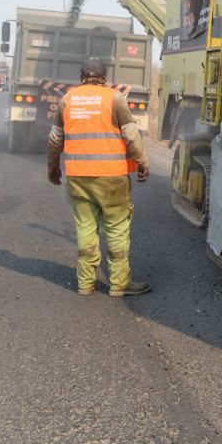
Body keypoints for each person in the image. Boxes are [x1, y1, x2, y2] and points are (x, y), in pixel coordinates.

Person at [47, 57, 152, 297]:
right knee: (116, 228)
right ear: (104, 78)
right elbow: (131, 135)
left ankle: (85, 283)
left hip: (78, 177)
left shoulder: (67, 100)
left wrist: (53, 168)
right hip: (112, 177)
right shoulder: (115, 98)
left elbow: (54, 140)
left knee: (86, 227)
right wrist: (142, 162)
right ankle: (120, 284)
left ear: (82, 77)